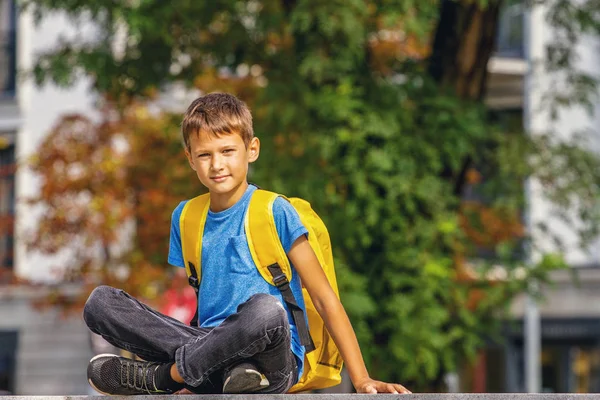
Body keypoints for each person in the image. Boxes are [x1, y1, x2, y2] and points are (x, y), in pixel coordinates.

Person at [84, 92, 411, 395]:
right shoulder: (185, 217)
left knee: (266, 310)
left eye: (227, 151)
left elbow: (325, 298)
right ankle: (219, 371)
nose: (217, 164)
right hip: (210, 352)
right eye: (205, 155)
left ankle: (163, 378)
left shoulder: (275, 211)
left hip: (272, 360)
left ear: (251, 149)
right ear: (190, 159)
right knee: (101, 302)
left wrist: (362, 378)